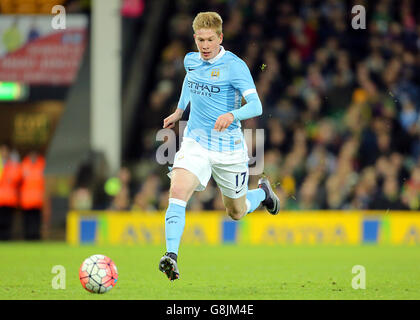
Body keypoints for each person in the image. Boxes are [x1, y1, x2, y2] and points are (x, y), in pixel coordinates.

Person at [158, 12, 280, 281]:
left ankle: (262, 194)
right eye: (200, 39)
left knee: (236, 212)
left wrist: (232, 115)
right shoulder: (191, 61)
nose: (204, 45)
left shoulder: (235, 66)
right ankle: (171, 256)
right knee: (178, 190)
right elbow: (190, 82)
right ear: (195, 38)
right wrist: (180, 111)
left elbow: (256, 105)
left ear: (220, 38)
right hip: (196, 142)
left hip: (228, 149)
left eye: (210, 40)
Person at [19, 151, 50, 240]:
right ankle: (27, 237)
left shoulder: (42, 165)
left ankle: (36, 237)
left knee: (36, 220)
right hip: (26, 200)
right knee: (27, 220)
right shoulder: (24, 165)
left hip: (38, 200)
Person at [0, 144, 21, 240]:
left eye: (5, 151)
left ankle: (6, 239)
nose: (4, 153)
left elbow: (18, 179)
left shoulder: (13, 165)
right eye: (2, 151)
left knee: (7, 222)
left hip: (9, 198)